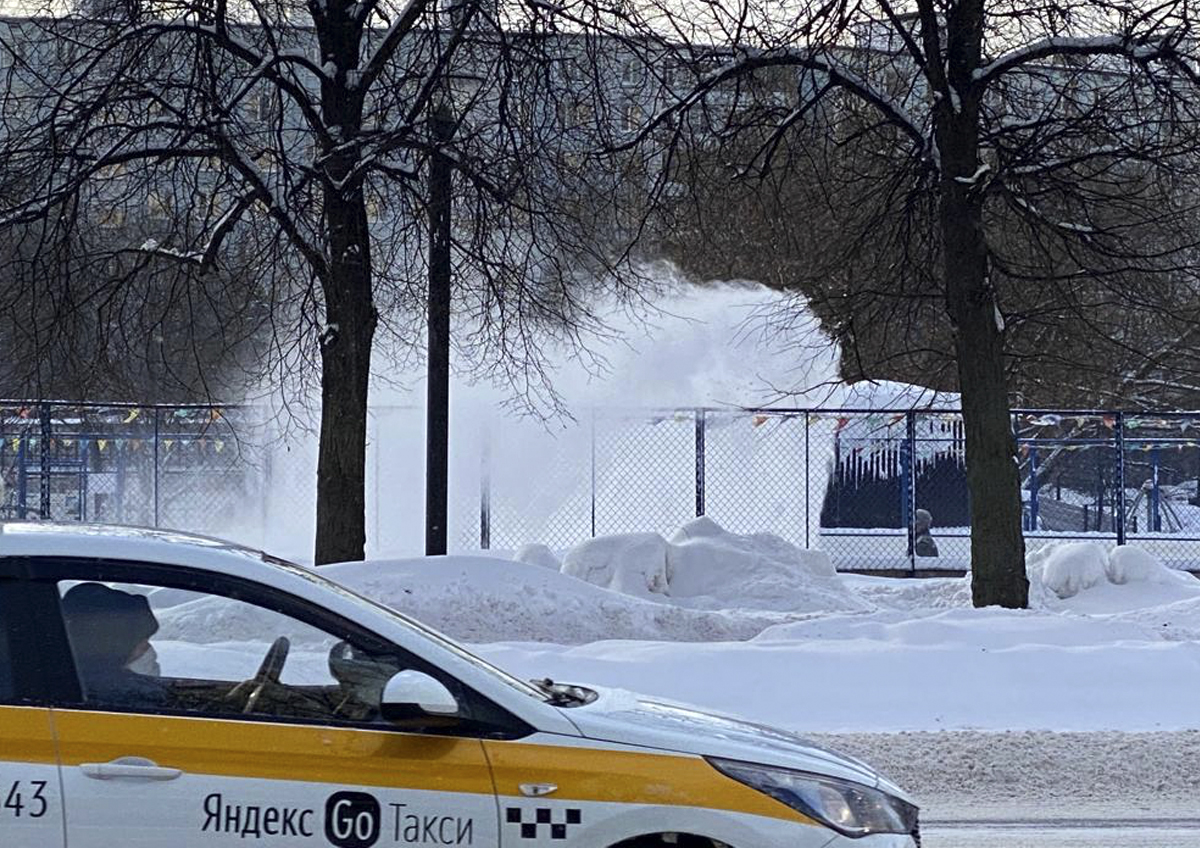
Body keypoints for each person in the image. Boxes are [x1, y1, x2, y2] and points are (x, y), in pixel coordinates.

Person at [60, 583, 168, 707]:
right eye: (141, 644)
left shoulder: (71, 680)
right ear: (115, 647)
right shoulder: (128, 697)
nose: (148, 650)